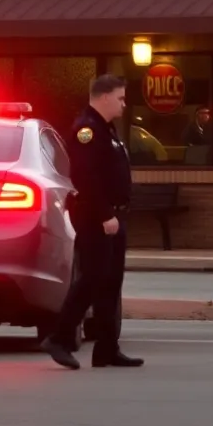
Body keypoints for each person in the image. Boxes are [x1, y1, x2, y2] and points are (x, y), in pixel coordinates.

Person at [42, 74, 143, 370]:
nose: (124, 104)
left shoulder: (106, 128)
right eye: (121, 98)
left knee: (111, 282)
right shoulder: (87, 130)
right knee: (92, 278)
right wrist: (104, 215)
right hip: (96, 216)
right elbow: (86, 178)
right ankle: (59, 338)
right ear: (104, 97)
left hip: (112, 213)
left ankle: (107, 349)